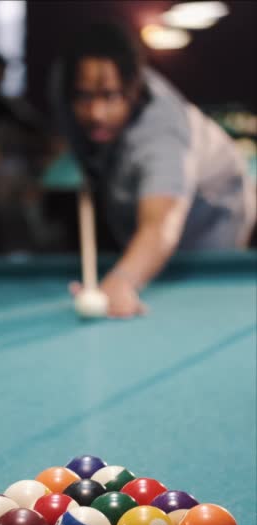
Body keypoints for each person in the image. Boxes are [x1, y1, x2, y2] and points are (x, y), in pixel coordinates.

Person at [52, 22, 256, 318]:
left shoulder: (162, 133)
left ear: (134, 89)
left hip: (213, 214)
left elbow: (161, 226)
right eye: (84, 97)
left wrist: (122, 280)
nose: (96, 113)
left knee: (194, 307)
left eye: (110, 96)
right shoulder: (62, 82)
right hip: (140, 204)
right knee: (140, 260)